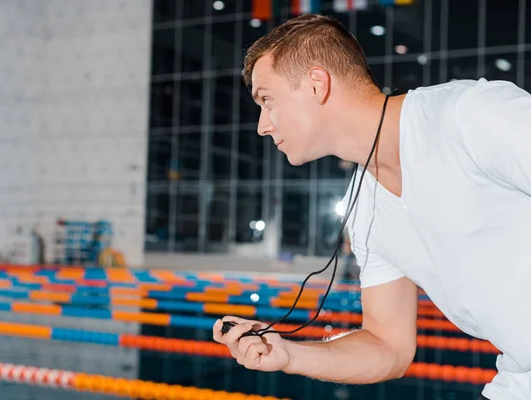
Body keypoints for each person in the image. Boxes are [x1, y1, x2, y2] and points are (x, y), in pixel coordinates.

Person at [211, 14, 531, 400]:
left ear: (316, 84)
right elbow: (387, 347)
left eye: (267, 100)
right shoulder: (363, 207)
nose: (262, 125)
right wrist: (290, 355)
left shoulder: (469, 116)